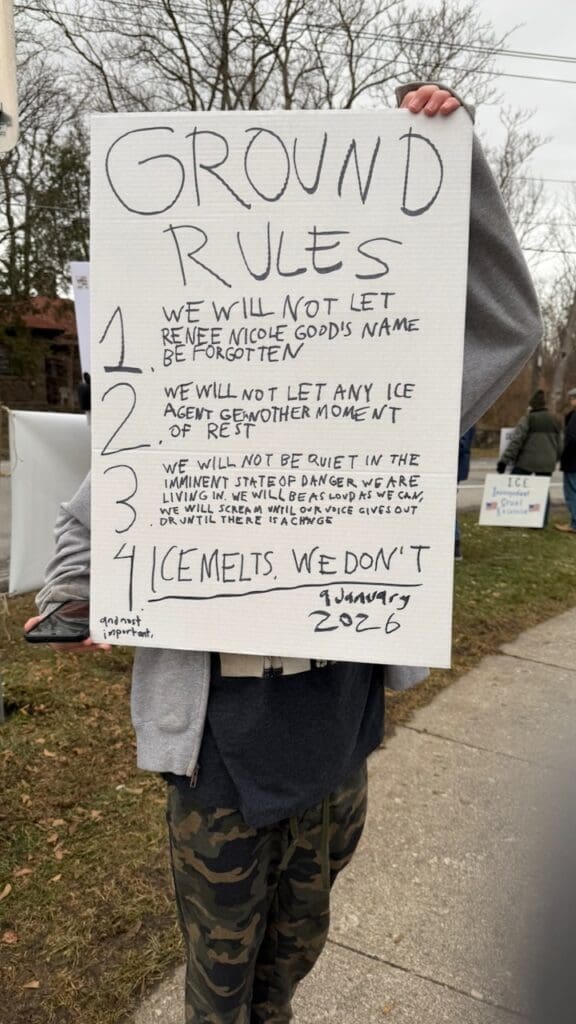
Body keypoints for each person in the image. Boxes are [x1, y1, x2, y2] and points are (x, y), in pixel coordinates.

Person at [24, 83, 542, 1024]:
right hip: (219, 749)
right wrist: (77, 597)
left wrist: (457, 162)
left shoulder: (396, 407)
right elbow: (81, 525)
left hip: (334, 731)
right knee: (220, 985)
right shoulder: (182, 408)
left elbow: (510, 330)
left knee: (293, 957)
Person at [496, 389, 562, 526]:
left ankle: (508, 518)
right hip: (547, 462)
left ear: (532, 405)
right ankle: (541, 522)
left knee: (514, 488)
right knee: (542, 490)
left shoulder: (529, 418)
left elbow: (517, 440)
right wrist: (554, 459)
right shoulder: (555, 419)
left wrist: (504, 460)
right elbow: (561, 444)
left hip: (526, 461)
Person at [555, 386, 576, 535]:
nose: (571, 401)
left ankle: (575, 524)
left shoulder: (574, 416)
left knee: (571, 492)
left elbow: (571, 437)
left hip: (573, 460)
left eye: (573, 398)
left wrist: (564, 452)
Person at [455, 425, 475, 560]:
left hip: (452, 469)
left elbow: (462, 445)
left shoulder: (466, 418)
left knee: (446, 509)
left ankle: (454, 545)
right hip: (453, 467)